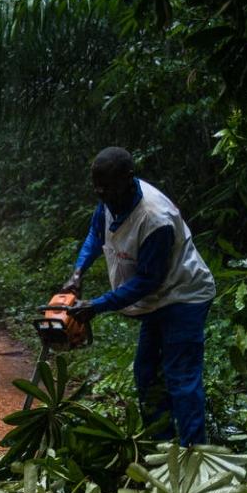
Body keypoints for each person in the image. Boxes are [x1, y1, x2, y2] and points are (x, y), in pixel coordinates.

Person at [62, 147, 218, 444]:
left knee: (180, 377)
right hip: (157, 299)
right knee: (146, 373)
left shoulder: (155, 218)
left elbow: (148, 280)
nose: (100, 192)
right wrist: (78, 272)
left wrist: (96, 305)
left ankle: (195, 456)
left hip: (183, 296)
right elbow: (97, 234)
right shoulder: (110, 199)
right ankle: (159, 445)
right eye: (96, 185)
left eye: (105, 186)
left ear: (127, 179)